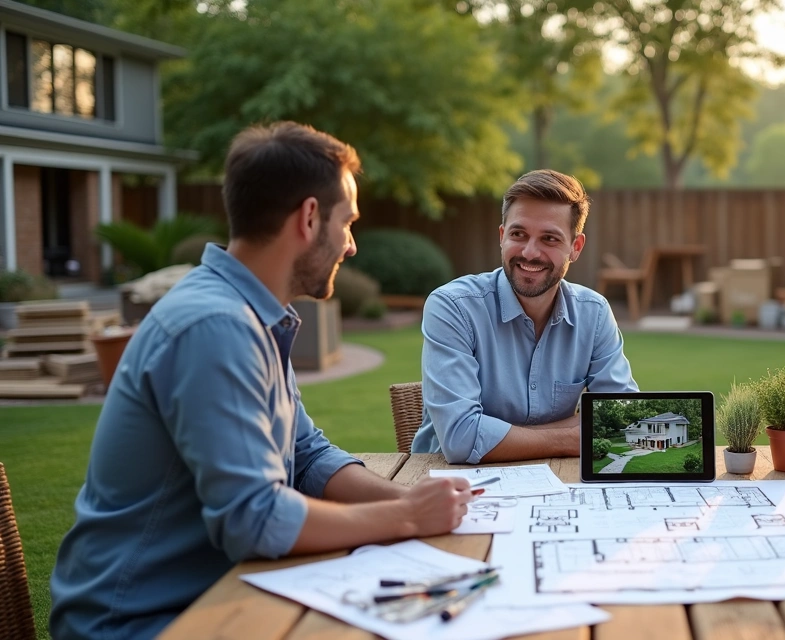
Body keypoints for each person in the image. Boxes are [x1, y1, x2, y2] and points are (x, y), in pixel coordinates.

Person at [50, 122, 473, 640]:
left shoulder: (253, 313)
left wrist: (402, 501)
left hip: (224, 591)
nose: (352, 245)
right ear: (310, 218)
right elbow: (256, 520)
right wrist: (407, 517)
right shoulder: (216, 328)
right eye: (348, 223)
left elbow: (309, 456)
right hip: (142, 620)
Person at [414, 169, 638, 464]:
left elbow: (621, 419)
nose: (530, 253)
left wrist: (501, 436)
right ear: (502, 236)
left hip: (561, 483)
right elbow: (461, 439)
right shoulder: (453, 307)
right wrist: (576, 434)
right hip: (455, 488)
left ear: (575, 247)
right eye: (518, 234)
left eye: (549, 238)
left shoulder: (593, 314)